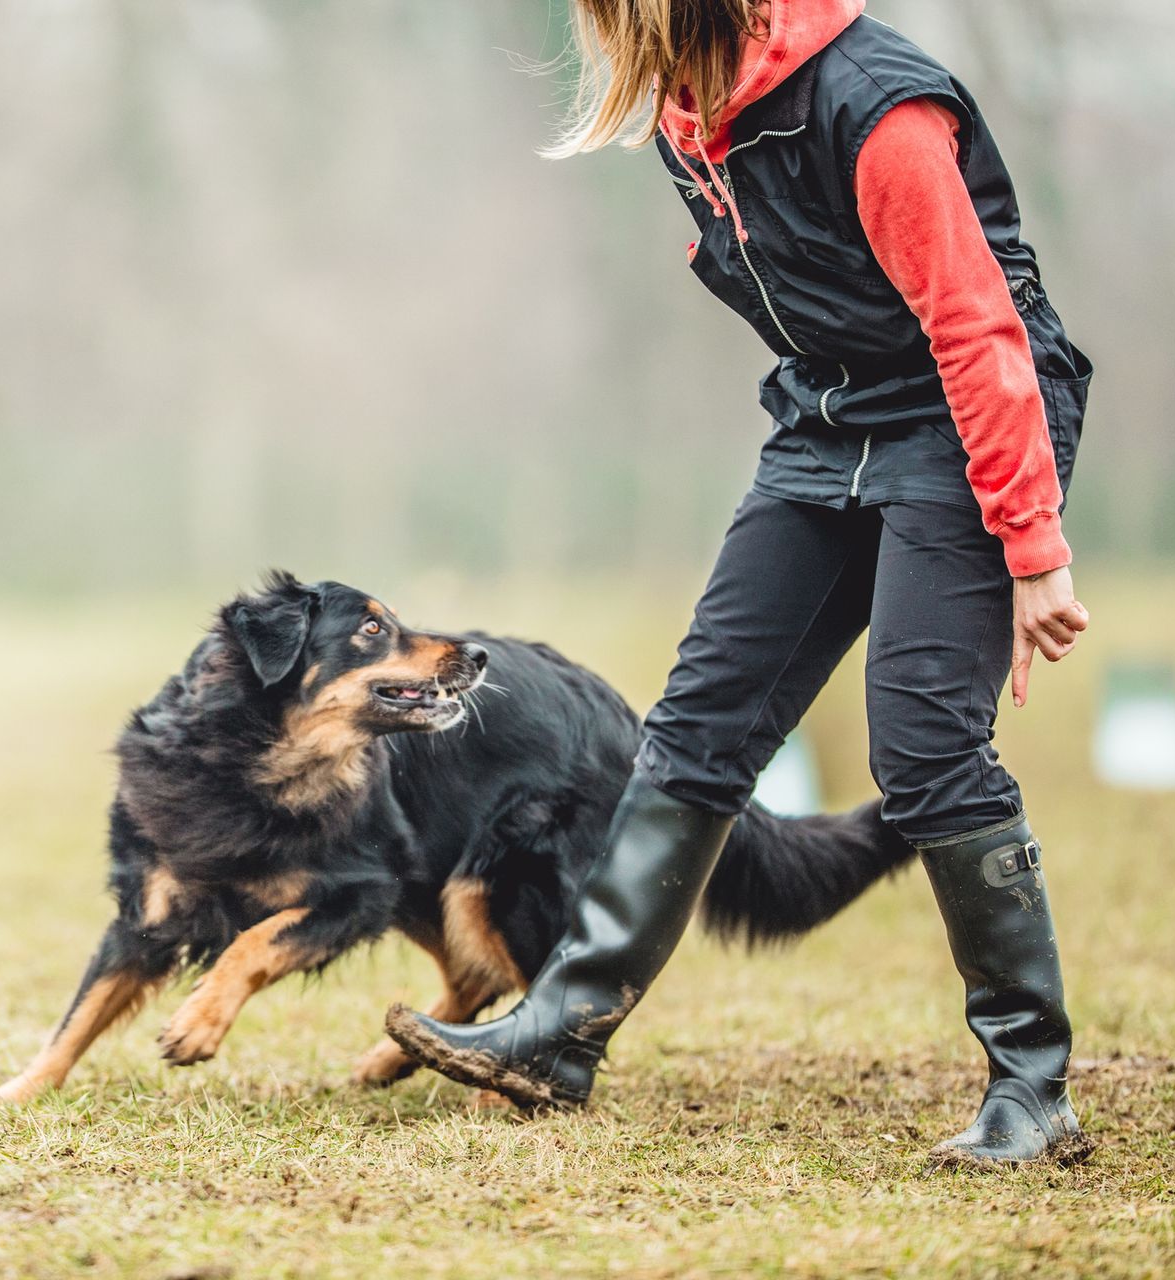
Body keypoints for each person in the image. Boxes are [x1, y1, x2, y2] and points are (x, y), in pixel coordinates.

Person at [385, 0, 1093, 1165]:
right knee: (700, 720)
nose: (604, 37)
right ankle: (563, 1029)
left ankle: (1032, 1085)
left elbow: (980, 330)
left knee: (922, 748)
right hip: (828, 418)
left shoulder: (878, 106)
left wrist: (1032, 545)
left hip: (962, 422)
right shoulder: (689, 112)